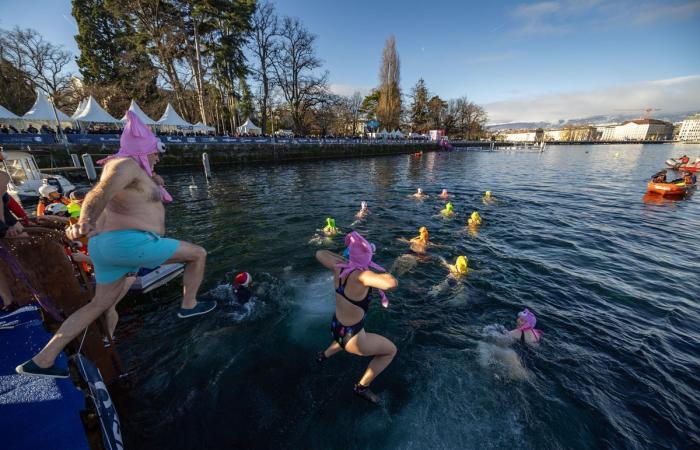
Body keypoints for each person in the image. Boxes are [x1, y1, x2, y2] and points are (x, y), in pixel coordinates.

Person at [16, 111, 215, 379]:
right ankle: (188, 305)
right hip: (128, 243)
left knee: (98, 305)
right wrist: (84, 220)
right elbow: (99, 192)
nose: (158, 156)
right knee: (197, 254)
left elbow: (128, 199)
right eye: (156, 151)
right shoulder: (125, 165)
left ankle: (42, 360)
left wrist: (153, 182)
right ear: (144, 149)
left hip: (112, 247)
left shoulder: (136, 171)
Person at [315, 231, 398, 404]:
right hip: (354, 340)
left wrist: (347, 260)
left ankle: (323, 355)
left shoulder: (339, 266)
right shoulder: (362, 277)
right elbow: (391, 283)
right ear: (367, 259)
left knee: (341, 338)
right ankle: (362, 387)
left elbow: (319, 253)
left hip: (336, 326)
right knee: (391, 351)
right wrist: (375, 270)